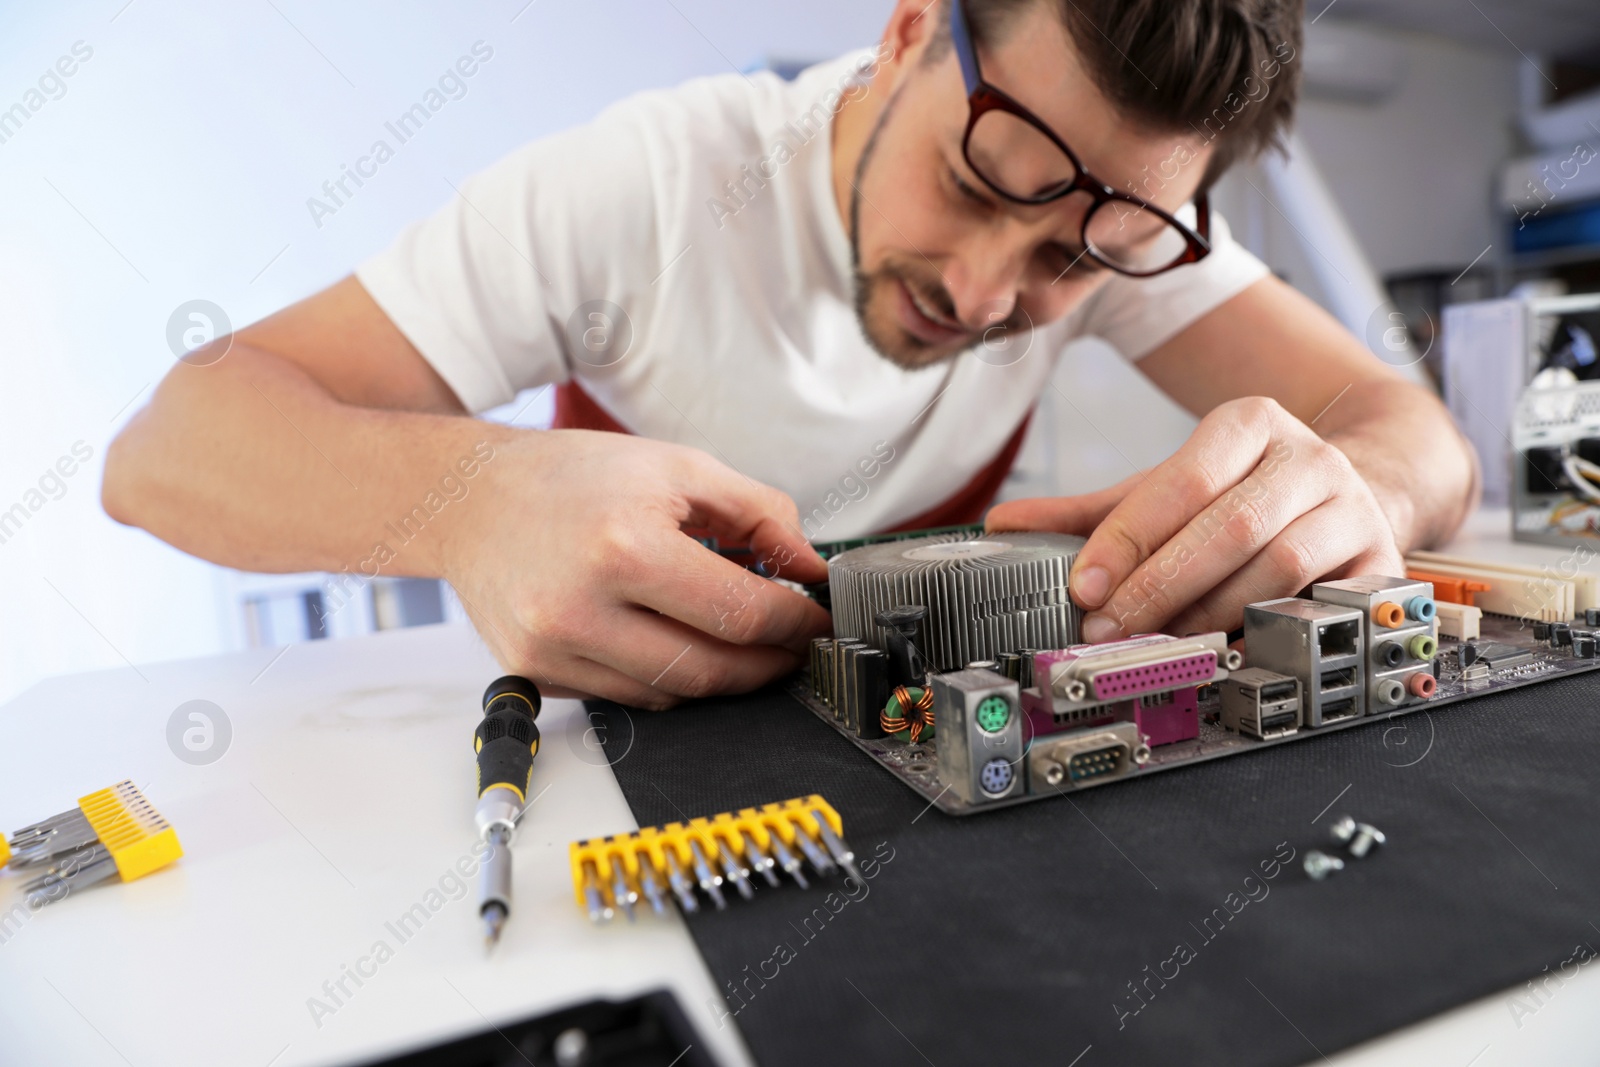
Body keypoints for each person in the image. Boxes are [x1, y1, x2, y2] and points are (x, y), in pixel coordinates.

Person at [103, 0, 1478, 709]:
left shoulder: (1114, 219)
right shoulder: (639, 188)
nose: (988, 293)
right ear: (899, 38)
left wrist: (1357, 488)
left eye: (1068, 260)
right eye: (977, 181)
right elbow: (169, 448)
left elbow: (1410, 432)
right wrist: (471, 498)